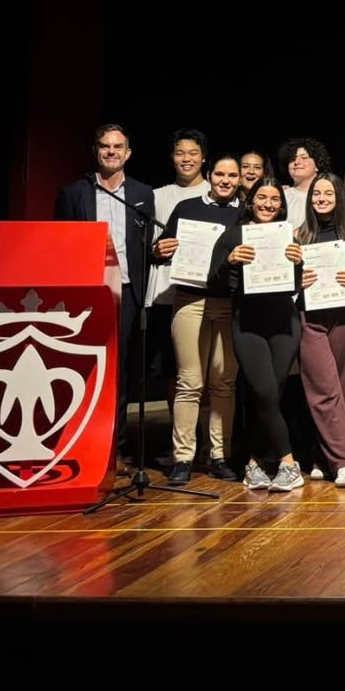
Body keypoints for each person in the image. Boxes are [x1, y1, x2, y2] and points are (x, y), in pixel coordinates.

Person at [54, 122, 155, 469]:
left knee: (119, 371)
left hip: (126, 292)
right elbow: (60, 245)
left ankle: (115, 448)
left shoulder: (143, 193)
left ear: (128, 153)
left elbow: (145, 246)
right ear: (95, 151)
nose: (111, 152)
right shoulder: (73, 193)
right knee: (84, 367)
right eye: (105, 146)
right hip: (87, 292)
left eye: (117, 146)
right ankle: (79, 443)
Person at [210, 177, 306, 492]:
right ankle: (289, 464)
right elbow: (213, 281)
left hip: (284, 321)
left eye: (274, 199)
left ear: (281, 205)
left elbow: (294, 286)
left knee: (271, 395)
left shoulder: (288, 235)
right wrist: (229, 261)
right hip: (247, 321)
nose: (268, 204)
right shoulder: (233, 235)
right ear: (251, 202)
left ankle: (254, 462)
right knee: (263, 391)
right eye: (262, 198)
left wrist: (297, 263)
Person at [153, 152, 244, 485]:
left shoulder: (246, 213)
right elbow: (161, 248)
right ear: (210, 175)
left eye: (232, 176)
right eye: (220, 174)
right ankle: (184, 458)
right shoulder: (187, 208)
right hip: (190, 300)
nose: (225, 181)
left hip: (229, 304)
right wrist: (158, 250)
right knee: (189, 382)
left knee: (224, 382)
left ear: (239, 180)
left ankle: (219, 455)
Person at [296, 172, 345, 488]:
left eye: (328, 194)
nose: (321, 199)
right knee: (323, 390)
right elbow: (283, 281)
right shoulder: (298, 236)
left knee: (344, 390)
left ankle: (324, 457)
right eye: (317, 194)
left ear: (339, 199)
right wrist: (297, 281)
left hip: (344, 316)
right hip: (311, 318)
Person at [144, 129, 211, 426]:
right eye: (180, 153)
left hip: (206, 293)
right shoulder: (156, 196)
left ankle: (210, 440)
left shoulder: (216, 192)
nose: (187, 159)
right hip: (165, 293)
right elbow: (145, 245)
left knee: (209, 368)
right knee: (173, 369)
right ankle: (181, 435)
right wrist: (155, 249)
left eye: (193, 153)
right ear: (172, 158)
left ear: (203, 157)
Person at [279, 138, 332, 229]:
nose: (297, 162)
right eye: (292, 159)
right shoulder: (281, 195)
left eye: (304, 158)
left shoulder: (330, 196)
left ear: (317, 165)